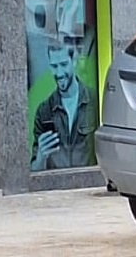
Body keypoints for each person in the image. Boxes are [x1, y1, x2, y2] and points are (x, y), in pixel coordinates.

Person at [31, 40, 98, 171]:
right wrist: (41, 157)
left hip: (88, 185)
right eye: (54, 66)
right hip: (54, 188)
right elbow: (34, 170)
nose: (59, 73)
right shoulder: (43, 111)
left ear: (74, 61)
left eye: (63, 64)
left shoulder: (94, 101)